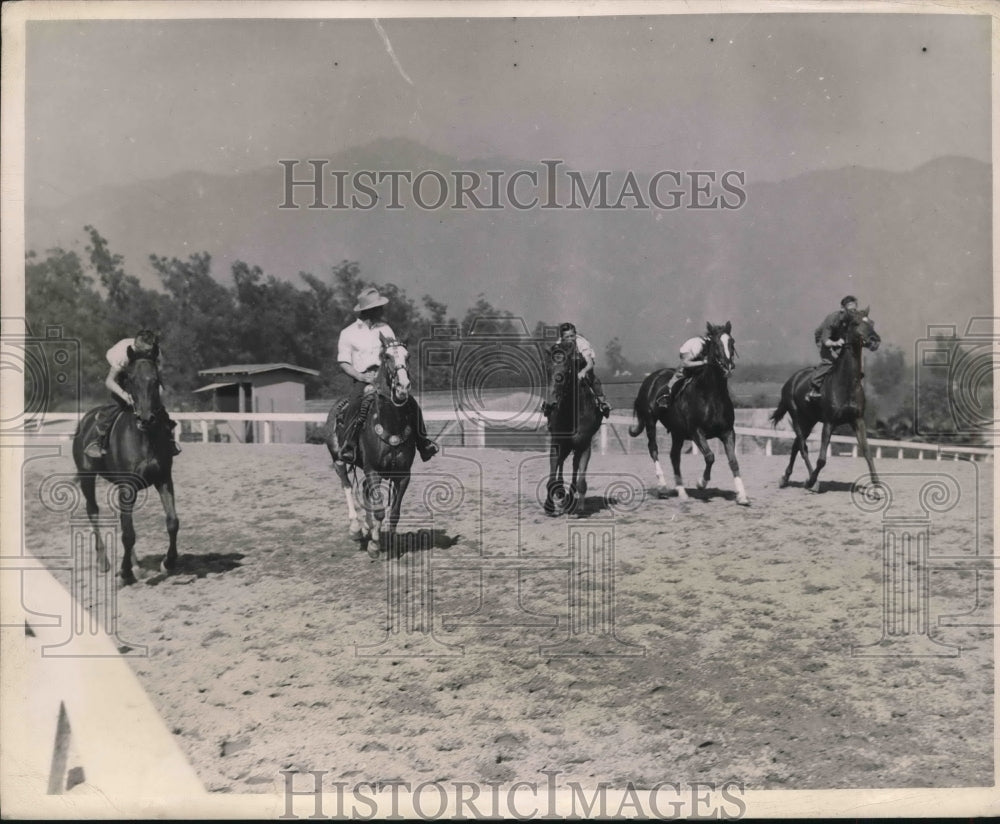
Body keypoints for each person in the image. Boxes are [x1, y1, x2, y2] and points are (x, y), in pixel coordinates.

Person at [335, 286, 438, 463]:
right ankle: (349, 446)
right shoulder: (348, 333)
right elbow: (344, 362)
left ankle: (423, 444)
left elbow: (394, 352)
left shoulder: (386, 328)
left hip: (386, 378)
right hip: (363, 377)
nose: (382, 310)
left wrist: (399, 372)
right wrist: (361, 377)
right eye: (378, 307)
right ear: (368, 310)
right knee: (354, 405)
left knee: (412, 404)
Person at [84, 330, 183, 459]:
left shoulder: (155, 353)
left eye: (150, 351)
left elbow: (157, 377)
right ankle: (98, 441)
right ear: (136, 348)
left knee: (158, 407)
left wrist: (157, 394)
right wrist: (124, 394)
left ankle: (168, 440)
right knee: (116, 405)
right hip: (119, 371)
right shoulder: (121, 355)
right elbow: (109, 381)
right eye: (146, 352)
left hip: (142, 373)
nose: (149, 354)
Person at [543, 322, 611, 419]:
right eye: (567, 337)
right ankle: (551, 405)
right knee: (557, 381)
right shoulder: (558, 345)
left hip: (584, 367)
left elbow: (590, 363)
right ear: (562, 338)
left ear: (575, 334)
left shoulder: (582, 343)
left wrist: (583, 372)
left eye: (572, 336)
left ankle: (602, 404)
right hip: (568, 369)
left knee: (595, 381)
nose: (570, 339)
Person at [805, 295, 859, 401]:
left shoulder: (851, 320)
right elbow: (826, 341)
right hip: (824, 339)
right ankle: (814, 388)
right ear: (842, 309)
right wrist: (836, 343)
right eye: (850, 310)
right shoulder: (832, 319)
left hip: (837, 338)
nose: (853, 313)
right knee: (830, 361)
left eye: (855, 310)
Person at [657, 333, 710, 406]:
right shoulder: (698, 346)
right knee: (682, 373)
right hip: (687, 356)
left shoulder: (707, 344)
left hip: (696, 354)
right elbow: (685, 363)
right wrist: (703, 362)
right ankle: (667, 395)